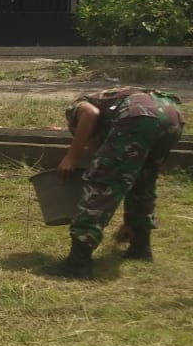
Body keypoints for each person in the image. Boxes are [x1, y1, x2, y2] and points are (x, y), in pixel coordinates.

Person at [48, 86, 184, 279]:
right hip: (171, 113)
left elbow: (90, 114)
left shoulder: (78, 105)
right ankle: (140, 246)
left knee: (102, 183)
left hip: (138, 114)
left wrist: (72, 156)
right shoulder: (114, 101)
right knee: (143, 180)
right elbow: (100, 144)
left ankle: (78, 263)